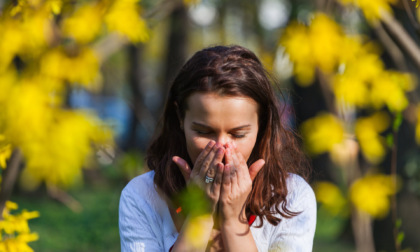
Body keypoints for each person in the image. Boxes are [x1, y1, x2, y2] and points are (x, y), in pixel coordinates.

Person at [119, 45, 316, 252]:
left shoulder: (292, 197)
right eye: (204, 132)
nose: (222, 147)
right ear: (180, 118)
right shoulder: (143, 196)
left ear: (262, 124)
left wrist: (233, 221)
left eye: (238, 134)